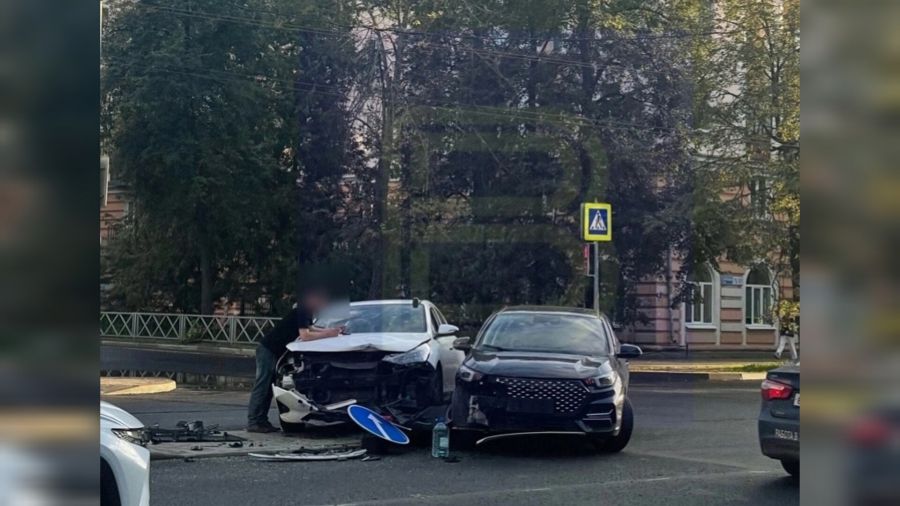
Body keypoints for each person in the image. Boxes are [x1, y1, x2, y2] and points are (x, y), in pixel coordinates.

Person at [246, 289, 345, 433]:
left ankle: (261, 421)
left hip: (274, 351)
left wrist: (331, 331)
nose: (324, 304)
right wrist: (329, 333)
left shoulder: (306, 312)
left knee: (268, 388)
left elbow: (311, 328)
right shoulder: (303, 310)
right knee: (263, 386)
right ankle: (254, 421)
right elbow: (305, 335)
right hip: (269, 350)